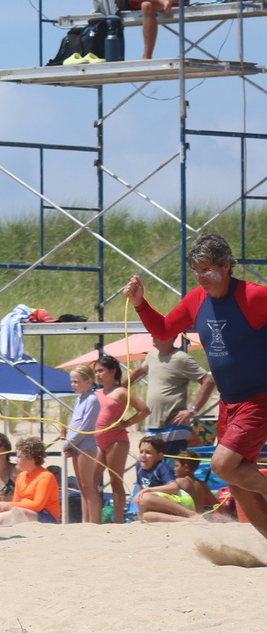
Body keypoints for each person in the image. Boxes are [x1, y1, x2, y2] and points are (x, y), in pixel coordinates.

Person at [124, 232, 267, 541]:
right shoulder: (195, 300)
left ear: (227, 265)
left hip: (260, 399)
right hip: (229, 402)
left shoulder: (255, 296)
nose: (202, 277)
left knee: (223, 466)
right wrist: (140, 303)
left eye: (208, 269)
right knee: (239, 487)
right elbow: (163, 329)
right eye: (197, 270)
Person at [129, 335, 215, 462]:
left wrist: (192, 410)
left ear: (170, 337)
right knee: (150, 470)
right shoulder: (152, 356)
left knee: (171, 470)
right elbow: (140, 370)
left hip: (174, 425)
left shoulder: (181, 358)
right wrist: (120, 386)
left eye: (157, 334)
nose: (153, 337)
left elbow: (208, 381)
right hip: (152, 424)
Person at [93, 353, 149, 525]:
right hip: (97, 440)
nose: (98, 375)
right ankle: (94, 519)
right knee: (91, 481)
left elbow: (144, 410)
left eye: (101, 371)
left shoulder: (121, 392)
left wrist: (126, 423)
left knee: (115, 481)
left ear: (113, 371)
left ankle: (118, 521)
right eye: (96, 371)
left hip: (116, 439)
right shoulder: (96, 392)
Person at [0, 437, 60, 525]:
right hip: (27, 512)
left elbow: (37, 505)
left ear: (30, 458)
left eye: (19, 457)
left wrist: (6, 505)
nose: (16, 460)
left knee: (17, 512)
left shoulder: (45, 477)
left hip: (47, 516)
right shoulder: (21, 476)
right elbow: (16, 502)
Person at [64, 365, 104, 524]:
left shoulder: (93, 399)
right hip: (76, 445)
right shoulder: (79, 399)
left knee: (89, 485)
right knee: (82, 486)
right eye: (72, 381)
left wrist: (68, 443)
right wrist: (69, 442)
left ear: (88, 382)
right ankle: (85, 520)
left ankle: (94, 521)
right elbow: (75, 424)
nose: (73, 385)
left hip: (86, 445)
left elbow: (84, 427)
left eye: (76, 381)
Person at [132, 435, 197, 523]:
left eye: (148, 453)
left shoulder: (161, 468)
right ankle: (189, 521)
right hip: (161, 504)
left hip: (181, 503)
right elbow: (140, 489)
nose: (143, 455)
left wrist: (148, 490)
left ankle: (191, 514)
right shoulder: (139, 466)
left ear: (159, 456)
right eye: (141, 452)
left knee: (145, 497)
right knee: (146, 516)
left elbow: (174, 488)